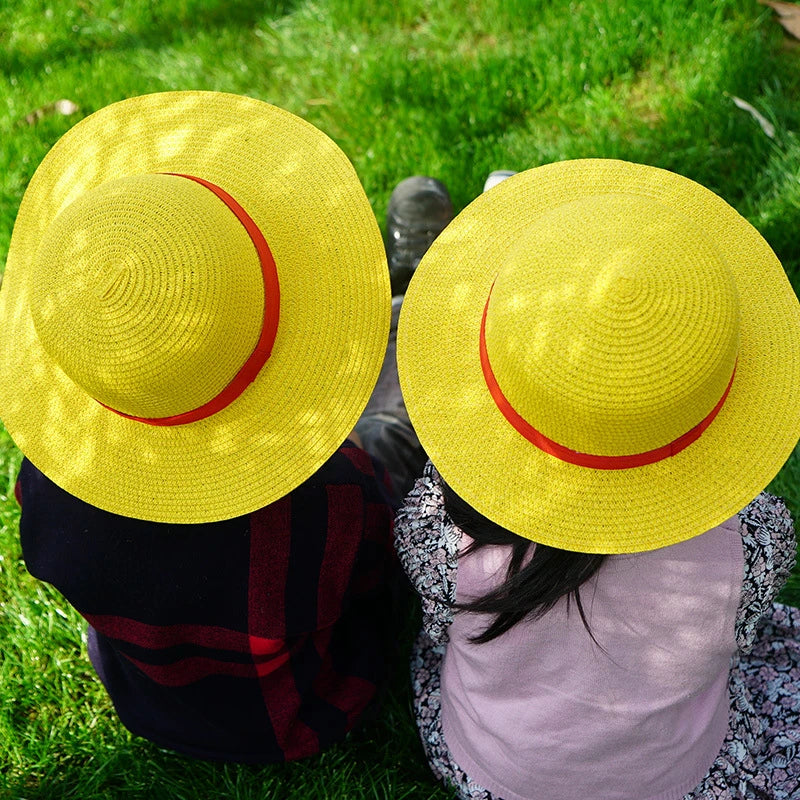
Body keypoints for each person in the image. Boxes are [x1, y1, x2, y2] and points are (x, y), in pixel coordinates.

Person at [0, 90, 400, 763]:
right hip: (300, 709)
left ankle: (404, 303)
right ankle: (406, 311)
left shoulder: (47, 483)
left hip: (149, 701)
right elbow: (377, 570)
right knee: (386, 427)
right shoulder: (330, 497)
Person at [393, 159, 800, 799]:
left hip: (492, 772)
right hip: (673, 780)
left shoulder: (441, 526)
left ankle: (422, 280)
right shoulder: (754, 541)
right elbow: (738, 643)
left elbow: (441, 625)